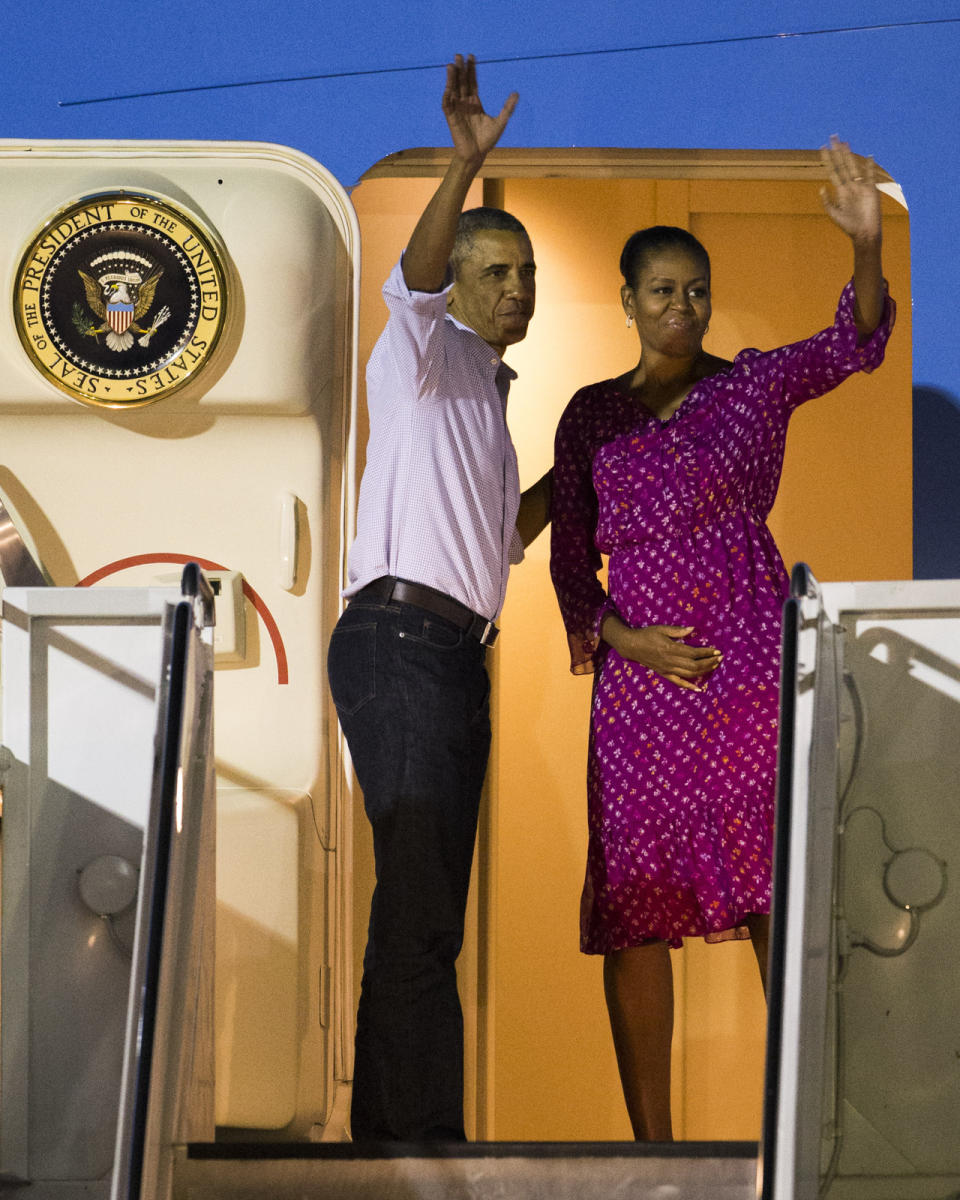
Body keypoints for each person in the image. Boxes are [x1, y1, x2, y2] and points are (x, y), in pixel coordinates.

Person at [549, 137, 894, 1141]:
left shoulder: (748, 389)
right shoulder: (591, 417)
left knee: (768, 889)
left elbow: (851, 343)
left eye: (695, 291)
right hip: (640, 695)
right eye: (661, 291)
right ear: (627, 300)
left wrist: (866, 249)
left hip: (746, 676)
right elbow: (573, 564)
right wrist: (625, 642)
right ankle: (649, 1148)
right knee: (637, 902)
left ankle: (805, 1124)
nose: (682, 307)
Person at [326, 54, 551, 1142]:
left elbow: (503, 538)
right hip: (400, 641)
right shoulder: (421, 350)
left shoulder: (490, 401)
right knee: (418, 914)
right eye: (497, 271)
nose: (517, 289)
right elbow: (410, 275)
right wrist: (464, 167)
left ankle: (401, 1133)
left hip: (454, 653)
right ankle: (411, 1144)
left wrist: (588, 462)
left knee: (425, 920)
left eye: (528, 275)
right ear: (459, 284)